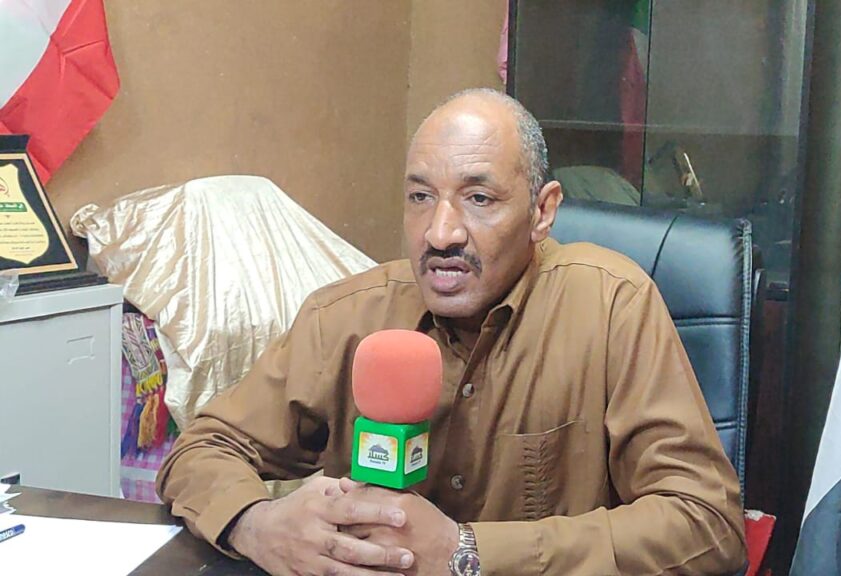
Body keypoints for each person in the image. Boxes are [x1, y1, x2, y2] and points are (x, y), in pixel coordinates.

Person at [157, 88, 746, 576]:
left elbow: (706, 526)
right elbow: (201, 450)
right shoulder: (347, 316)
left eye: (478, 198)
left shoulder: (611, 306)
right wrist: (259, 524)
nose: (440, 234)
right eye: (420, 197)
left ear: (542, 211)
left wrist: (467, 552)